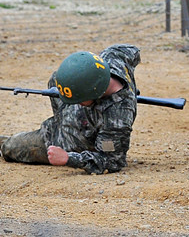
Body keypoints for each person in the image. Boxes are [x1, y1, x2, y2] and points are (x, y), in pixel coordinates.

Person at [0, 46, 141, 174]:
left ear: (95, 92)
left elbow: (112, 161)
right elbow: (133, 51)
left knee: (10, 147)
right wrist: (132, 90)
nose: (77, 103)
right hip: (71, 117)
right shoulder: (114, 57)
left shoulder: (116, 120)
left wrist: (68, 158)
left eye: (79, 100)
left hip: (65, 139)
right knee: (57, 79)